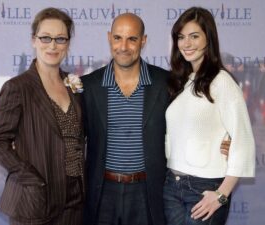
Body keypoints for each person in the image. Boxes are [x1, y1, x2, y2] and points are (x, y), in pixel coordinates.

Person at [0, 8, 85, 225]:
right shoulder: (18, 87)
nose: (52, 45)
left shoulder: (74, 85)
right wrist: (32, 180)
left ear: (68, 44)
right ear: (33, 40)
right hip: (36, 200)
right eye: (45, 37)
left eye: (60, 38)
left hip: (75, 200)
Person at [163, 7, 255, 225]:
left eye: (194, 36)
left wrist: (221, 195)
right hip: (171, 188)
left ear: (208, 39)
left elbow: (243, 141)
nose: (187, 44)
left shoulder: (222, 82)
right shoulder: (181, 81)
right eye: (181, 37)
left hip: (204, 189)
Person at [81, 13, 170, 225]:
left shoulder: (166, 83)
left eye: (132, 39)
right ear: (109, 37)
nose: (124, 46)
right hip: (102, 192)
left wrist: (222, 140)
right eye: (118, 37)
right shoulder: (89, 86)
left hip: (147, 192)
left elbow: (188, 125)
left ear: (144, 41)